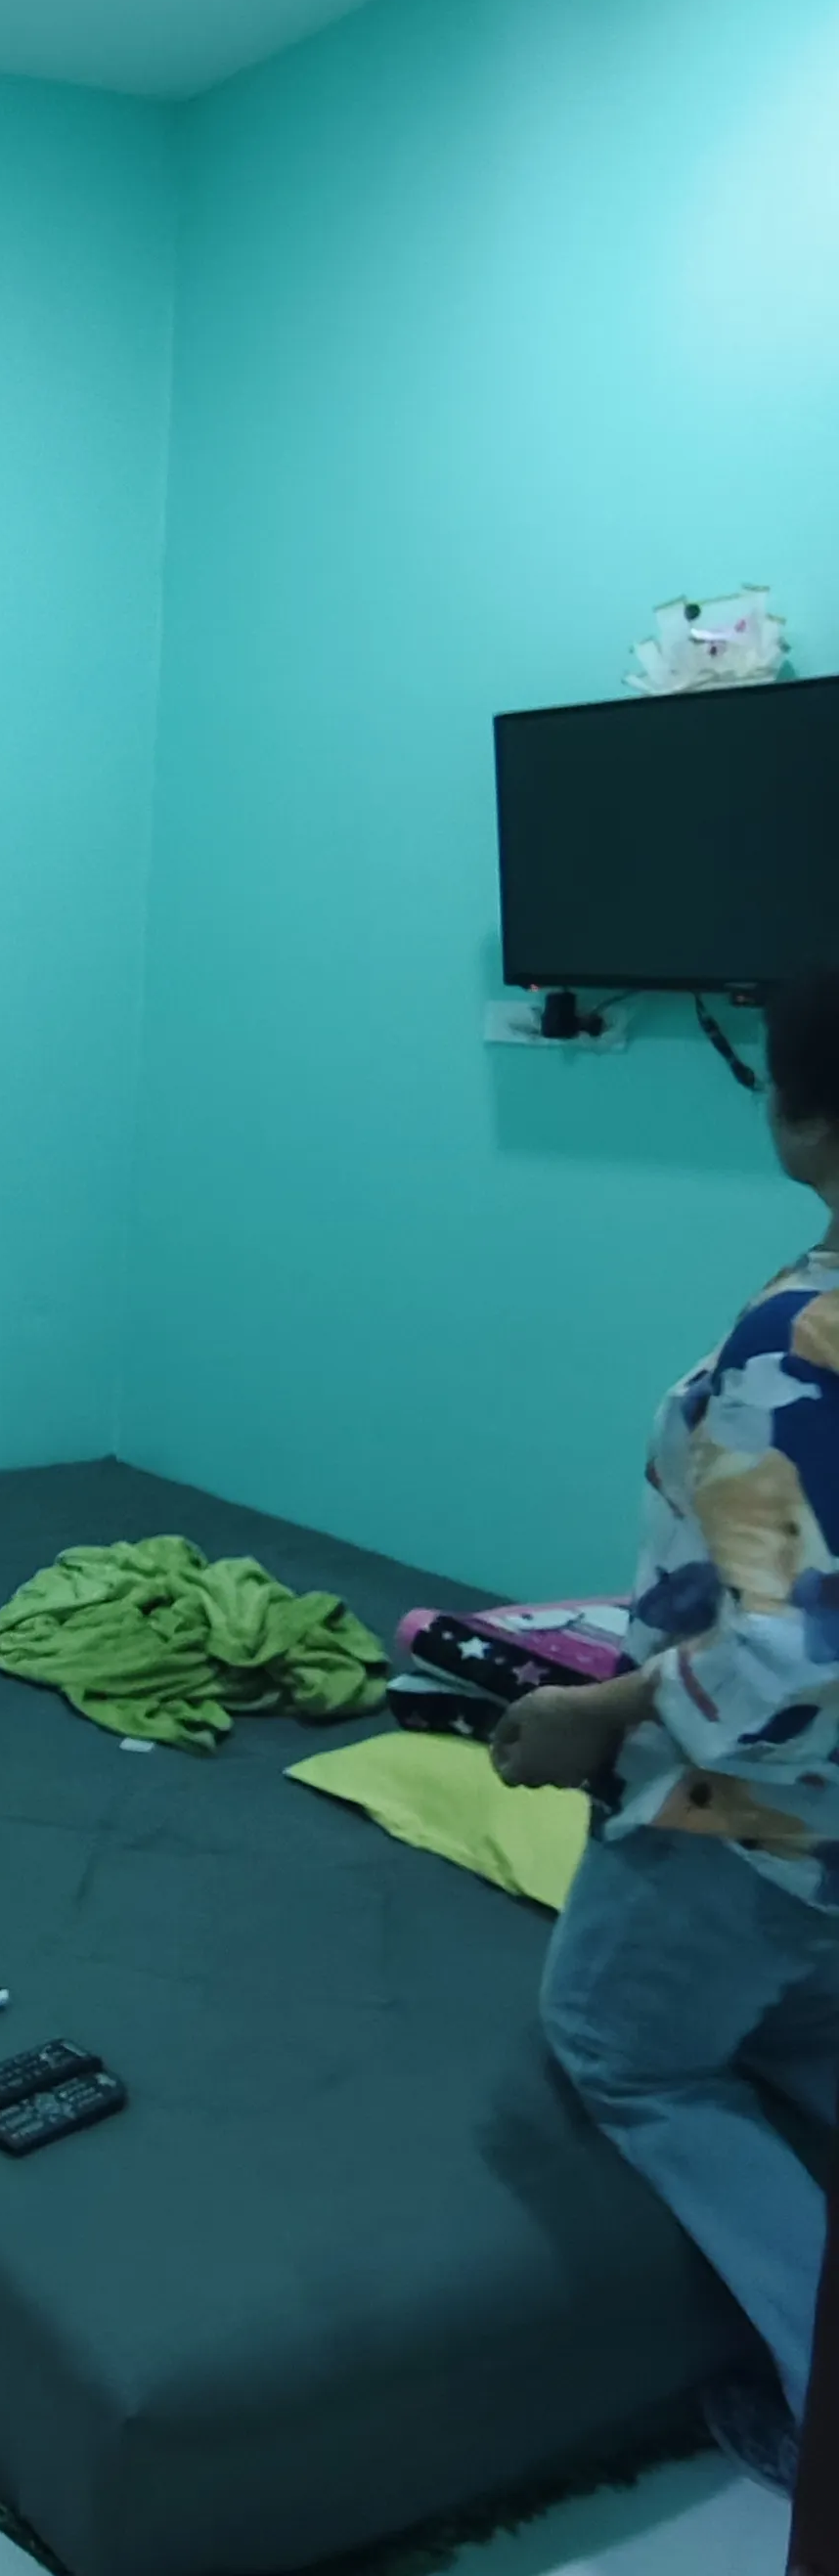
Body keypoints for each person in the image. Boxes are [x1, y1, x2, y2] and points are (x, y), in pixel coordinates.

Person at [495, 971, 839, 2489]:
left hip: (763, 1810)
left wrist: (602, 1710)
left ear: (801, 1111)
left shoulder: (803, 1345)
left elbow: (794, 1654)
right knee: (805, 2017)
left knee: (625, 2050)